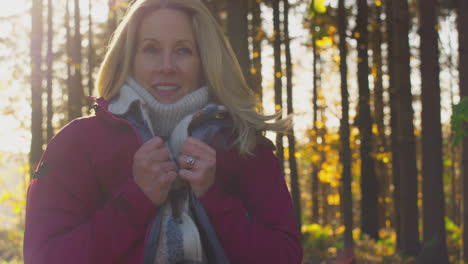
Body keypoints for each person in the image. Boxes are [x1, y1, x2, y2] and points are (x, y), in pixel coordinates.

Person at [23, 0, 302, 263]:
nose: (167, 67)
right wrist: (135, 200)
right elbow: (43, 257)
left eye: (183, 50)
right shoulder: (77, 143)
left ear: (205, 58)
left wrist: (213, 197)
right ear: (129, 57)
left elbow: (286, 257)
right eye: (151, 49)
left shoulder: (246, 144)